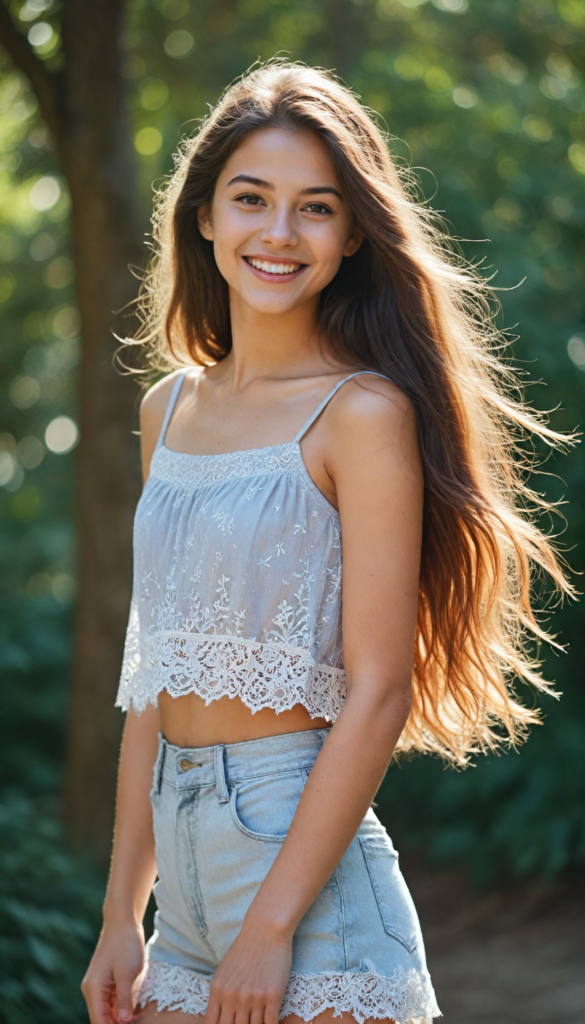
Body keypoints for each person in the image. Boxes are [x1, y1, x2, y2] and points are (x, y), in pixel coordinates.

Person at [81, 62, 571, 1024]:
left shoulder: (362, 415)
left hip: (296, 861)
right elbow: (153, 676)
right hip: (174, 888)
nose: (277, 232)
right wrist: (118, 913)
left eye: (315, 208)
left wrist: (268, 927)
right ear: (204, 218)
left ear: (350, 236)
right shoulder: (165, 409)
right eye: (251, 199)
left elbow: (379, 685)